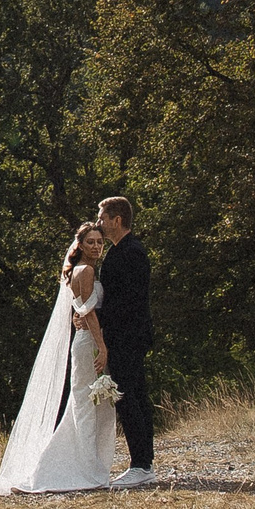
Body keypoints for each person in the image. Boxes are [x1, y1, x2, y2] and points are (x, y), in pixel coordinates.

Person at [0, 221, 120, 495]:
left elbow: (80, 309)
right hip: (90, 342)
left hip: (84, 340)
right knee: (86, 404)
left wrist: (84, 323)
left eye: (100, 242)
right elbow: (89, 313)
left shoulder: (78, 270)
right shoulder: (87, 270)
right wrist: (102, 347)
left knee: (85, 402)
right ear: (80, 245)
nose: (96, 247)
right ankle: (83, 468)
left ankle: (84, 464)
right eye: (90, 242)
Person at [94, 195, 155, 486]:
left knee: (129, 398)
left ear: (117, 220)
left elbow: (129, 301)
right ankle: (143, 462)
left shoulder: (132, 252)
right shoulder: (119, 251)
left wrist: (98, 319)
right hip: (123, 336)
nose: (99, 223)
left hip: (128, 337)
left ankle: (141, 465)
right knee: (133, 396)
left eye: (103, 218)